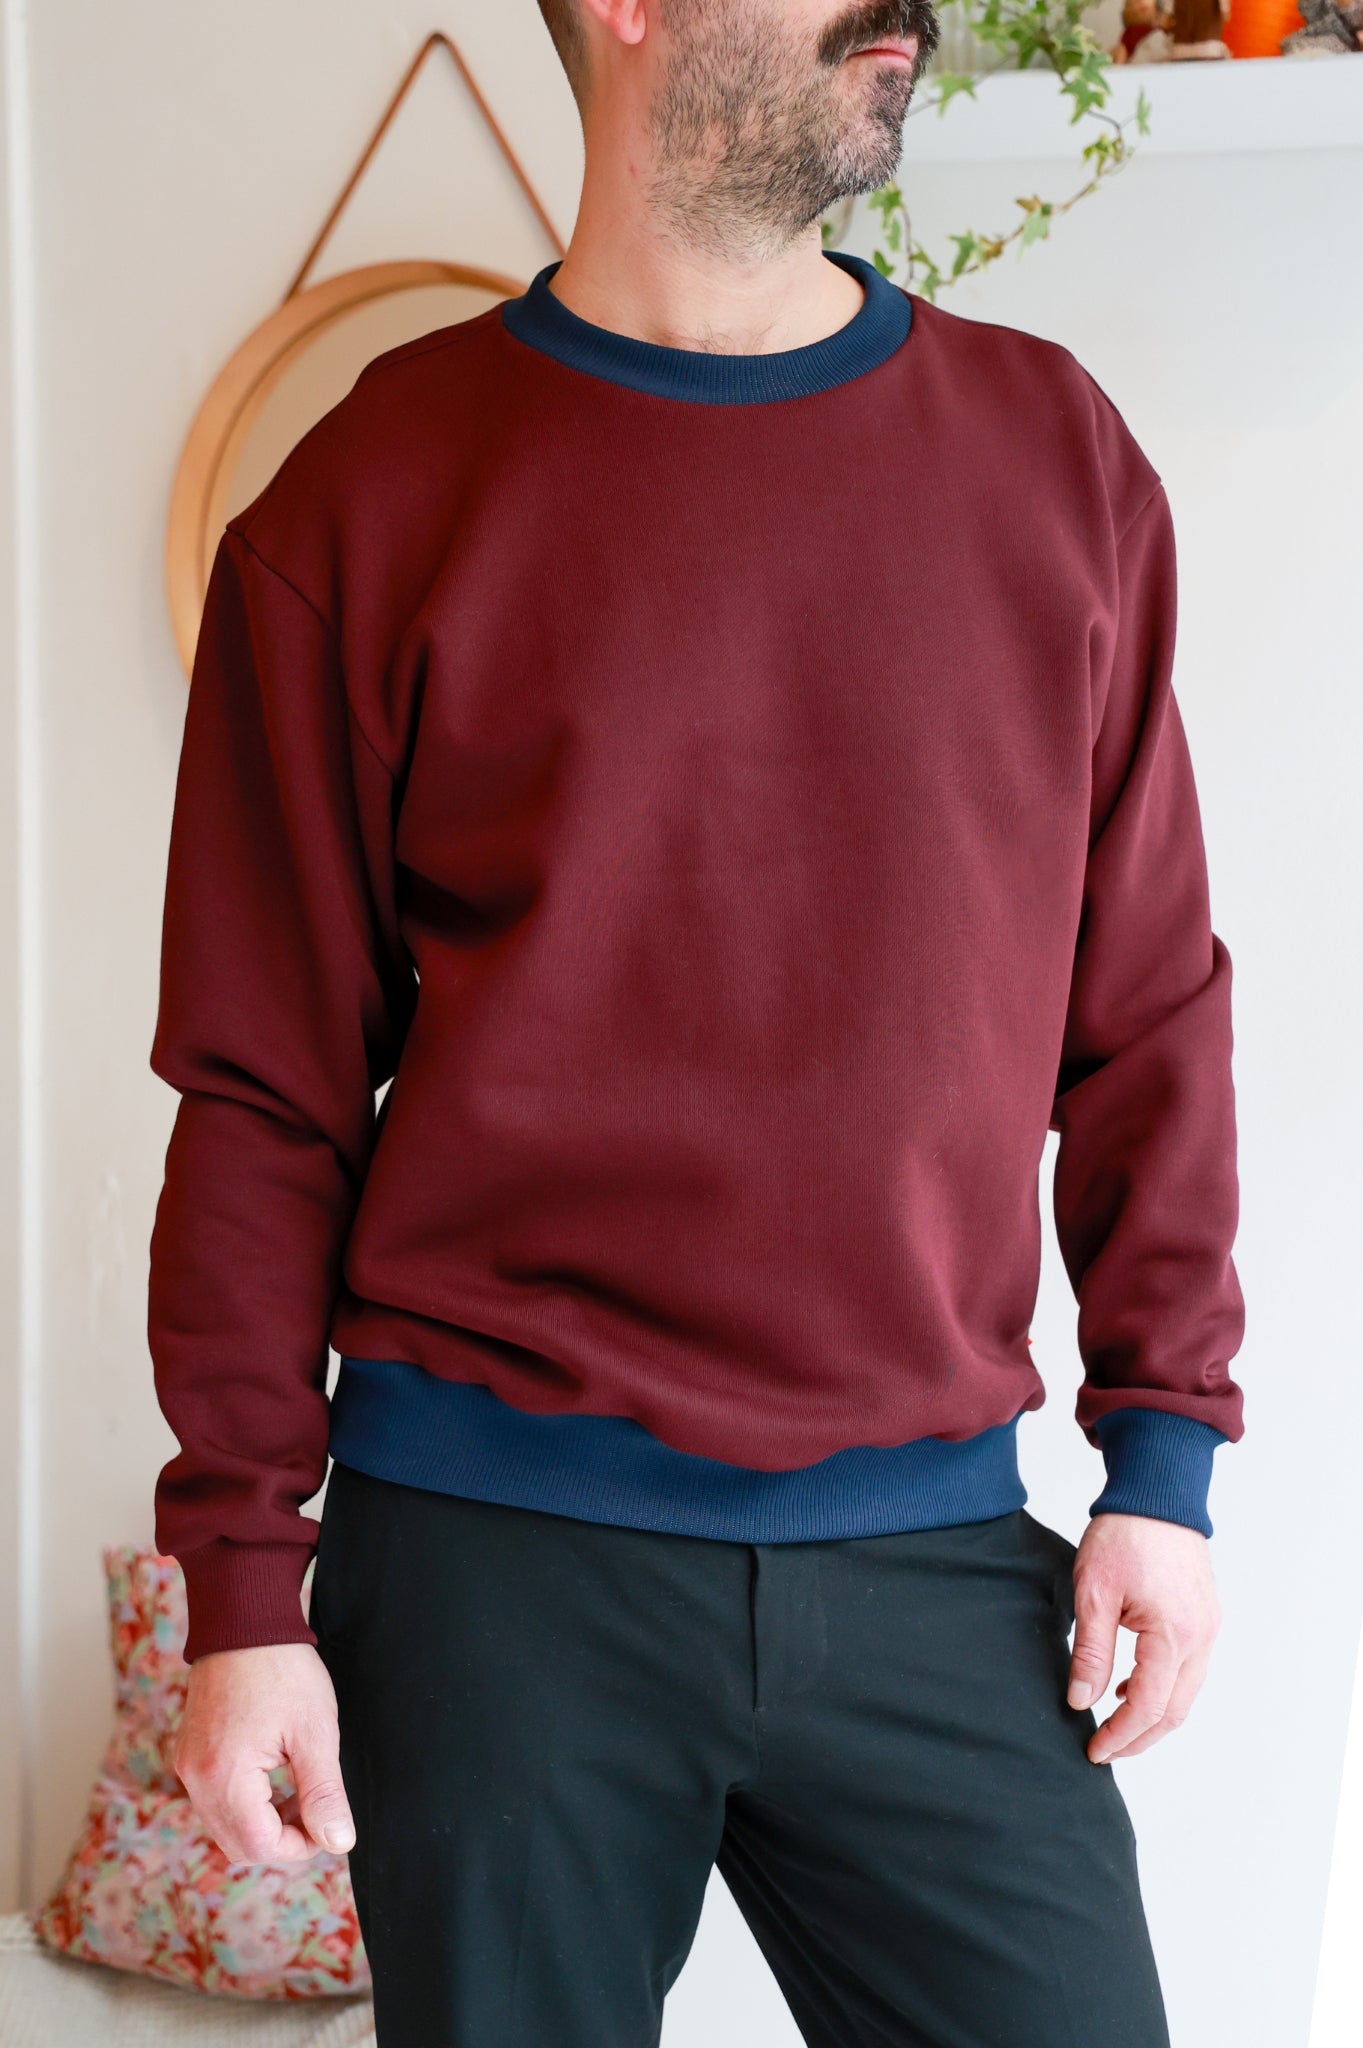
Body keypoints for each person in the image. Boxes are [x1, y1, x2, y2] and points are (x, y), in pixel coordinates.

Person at [148, 2, 1247, 2042]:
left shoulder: (1055, 459)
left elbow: (1151, 1011)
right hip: (493, 1568)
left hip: (934, 1543)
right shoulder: (367, 495)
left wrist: (1161, 1461)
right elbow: (261, 1090)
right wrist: (238, 1586)